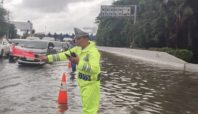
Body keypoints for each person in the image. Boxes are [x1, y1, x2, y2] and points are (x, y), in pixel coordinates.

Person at [38, 28, 101, 114]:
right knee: (86, 110)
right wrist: (48, 58)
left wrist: (79, 62)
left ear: (86, 39)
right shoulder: (78, 49)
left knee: (89, 111)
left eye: (78, 39)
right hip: (83, 85)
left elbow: (95, 69)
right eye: (75, 38)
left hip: (91, 86)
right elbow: (63, 55)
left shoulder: (93, 52)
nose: (76, 41)